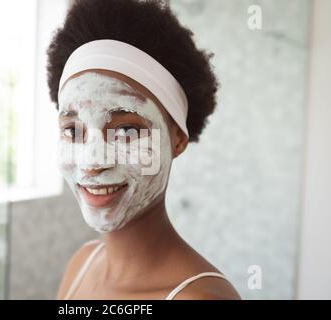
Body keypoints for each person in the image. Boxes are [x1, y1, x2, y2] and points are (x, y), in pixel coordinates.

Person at [46, 0, 240, 300]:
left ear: (177, 138)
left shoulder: (200, 298)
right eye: (73, 130)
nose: (92, 162)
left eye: (127, 131)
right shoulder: (81, 264)